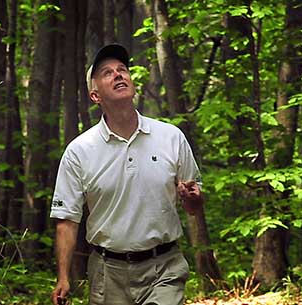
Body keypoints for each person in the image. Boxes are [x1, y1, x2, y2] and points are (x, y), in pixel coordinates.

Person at [49, 44, 204, 305]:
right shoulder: (79, 150)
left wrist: (192, 197)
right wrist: (63, 276)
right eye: (107, 73)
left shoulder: (170, 137)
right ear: (95, 95)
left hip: (163, 267)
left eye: (122, 70)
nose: (119, 74)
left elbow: (193, 206)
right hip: (108, 273)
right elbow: (67, 220)